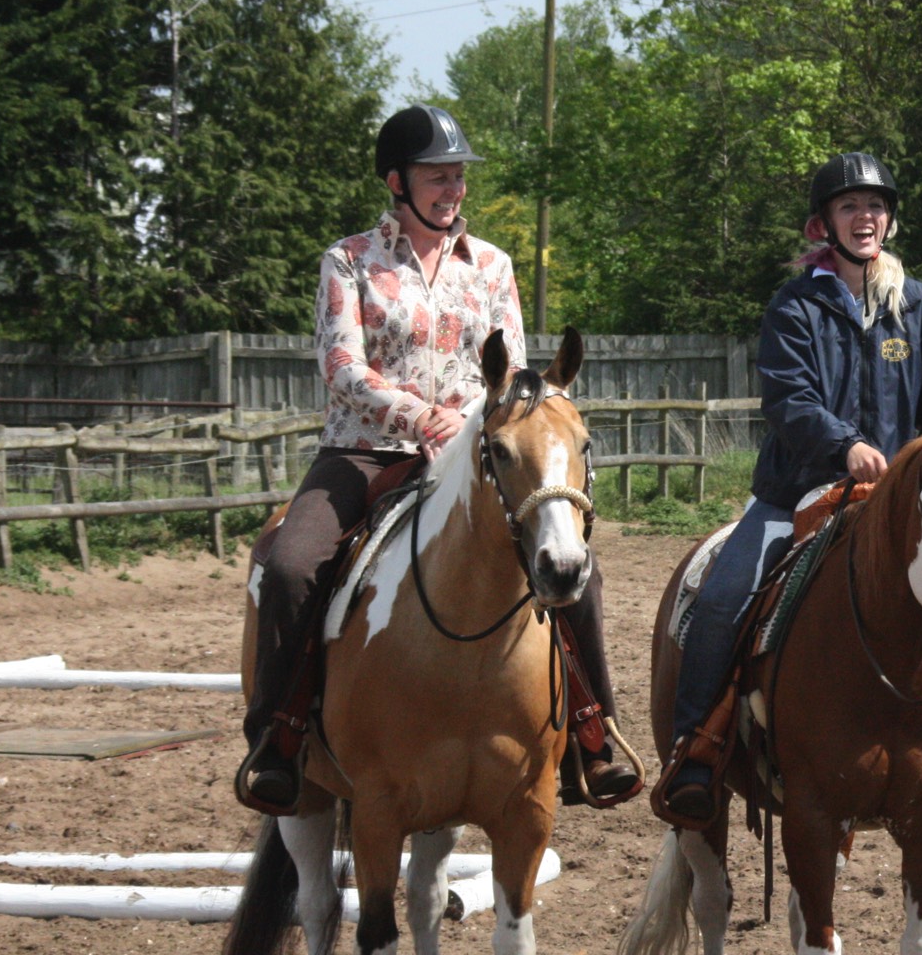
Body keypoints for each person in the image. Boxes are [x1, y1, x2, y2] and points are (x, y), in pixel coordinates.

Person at [236, 103, 637, 813]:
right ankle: (279, 735)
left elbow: (510, 372)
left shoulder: (491, 266)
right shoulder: (348, 260)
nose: (451, 189)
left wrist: (488, 420)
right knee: (292, 563)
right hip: (364, 452)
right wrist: (424, 417)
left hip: (474, 456)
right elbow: (341, 367)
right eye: (436, 176)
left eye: (457, 177)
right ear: (397, 181)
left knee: (578, 570)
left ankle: (591, 733)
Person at [659, 151, 922, 827]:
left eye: (875, 206)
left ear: (890, 222)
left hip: (898, 501)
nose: (864, 217)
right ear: (824, 224)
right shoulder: (794, 307)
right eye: (849, 206)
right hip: (798, 493)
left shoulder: (920, 304)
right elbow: (789, 399)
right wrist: (845, 446)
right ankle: (697, 747)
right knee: (723, 595)